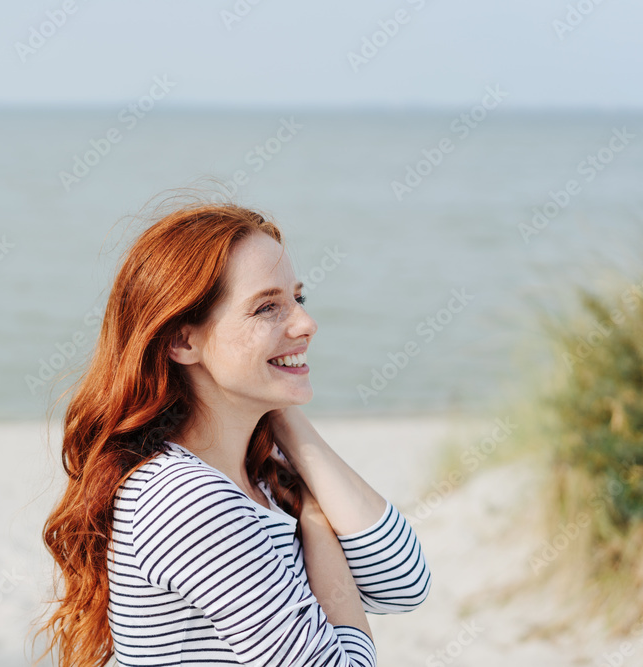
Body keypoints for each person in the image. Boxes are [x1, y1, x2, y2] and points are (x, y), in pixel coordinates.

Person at [34, 199, 431, 667]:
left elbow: (403, 583)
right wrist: (318, 524)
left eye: (298, 299)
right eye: (267, 307)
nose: (306, 323)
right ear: (183, 341)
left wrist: (283, 416)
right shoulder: (184, 499)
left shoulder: (260, 476)